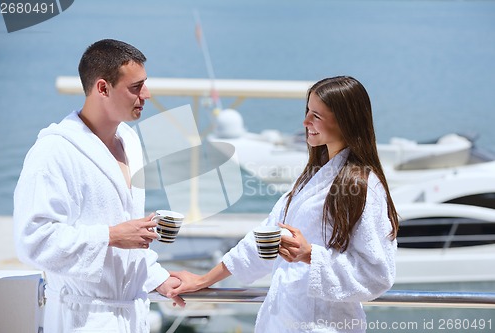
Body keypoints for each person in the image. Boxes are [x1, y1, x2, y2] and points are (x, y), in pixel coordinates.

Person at [168, 76, 399, 332]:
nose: (305, 122)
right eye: (307, 112)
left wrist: (311, 255)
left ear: (346, 120)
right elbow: (262, 240)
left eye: (316, 116)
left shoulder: (362, 187)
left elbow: (377, 274)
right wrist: (203, 280)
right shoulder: (311, 179)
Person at [13, 39, 184, 333]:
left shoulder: (129, 141)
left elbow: (124, 236)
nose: (147, 94)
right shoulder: (54, 152)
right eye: (136, 87)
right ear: (103, 88)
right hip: (81, 319)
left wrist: (156, 276)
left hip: (130, 316)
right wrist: (111, 236)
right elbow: (33, 241)